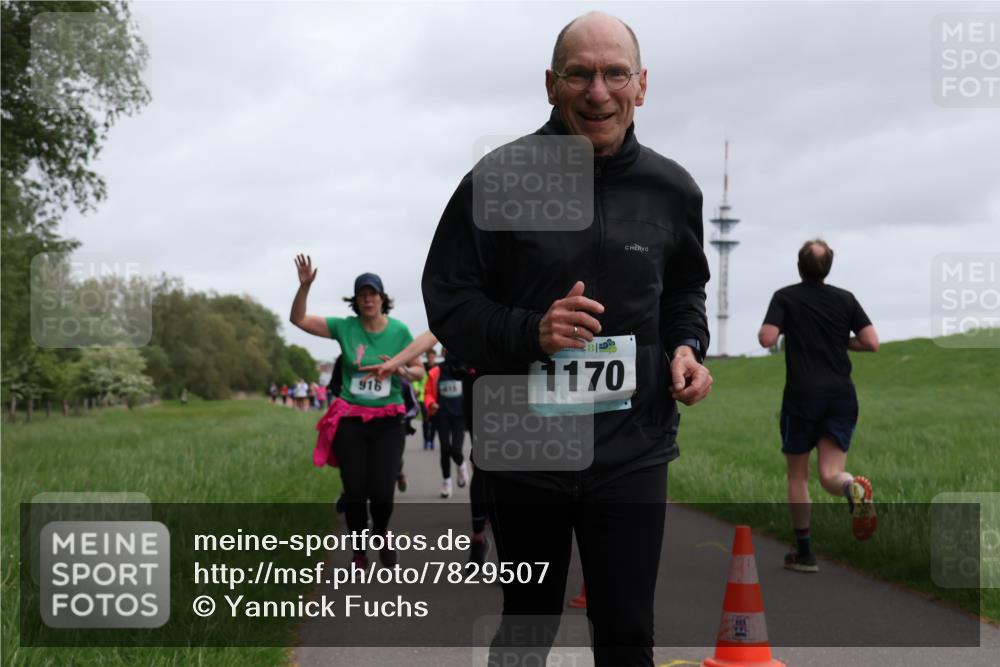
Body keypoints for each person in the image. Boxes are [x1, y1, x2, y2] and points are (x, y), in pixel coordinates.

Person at [421, 12, 712, 666]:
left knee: (628, 631)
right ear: (551, 84)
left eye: (615, 74)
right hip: (528, 451)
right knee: (528, 624)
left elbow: (685, 291)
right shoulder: (498, 180)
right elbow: (450, 301)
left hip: (633, 449)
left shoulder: (672, 190)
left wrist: (689, 347)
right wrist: (533, 331)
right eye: (580, 74)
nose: (598, 92)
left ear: (642, 86)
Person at [289, 256, 423, 568]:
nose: (368, 299)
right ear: (356, 301)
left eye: (373, 293)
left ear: (382, 298)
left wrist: (400, 369)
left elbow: (419, 372)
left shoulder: (400, 331)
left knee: (381, 492)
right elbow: (299, 319)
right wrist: (304, 287)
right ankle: (359, 549)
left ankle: (382, 531)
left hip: (388, 420)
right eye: (362, 294)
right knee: (354, 490)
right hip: (350, 419)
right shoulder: (344, 328)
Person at [758, 239, 879, 573]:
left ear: (800, 266)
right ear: (829, 268)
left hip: (801, 397)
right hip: (841, 396)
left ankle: (805, 553)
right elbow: (871, 342)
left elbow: (767, 338)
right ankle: (850, 487)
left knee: (799, 475)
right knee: (830, 475)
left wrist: (788, 331)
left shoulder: (785, 297)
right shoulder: (845, 299)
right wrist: (841, 341)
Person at [423, 348, 471, 498]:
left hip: (460, 416)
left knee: (456, 449)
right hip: (442, 415)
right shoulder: (435, 372)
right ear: (443, 354)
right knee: (444, 449)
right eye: (447, 351)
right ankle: (447, 482)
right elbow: (428, 393)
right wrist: (431, 404)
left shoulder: (465, 370)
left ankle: (461, 466)